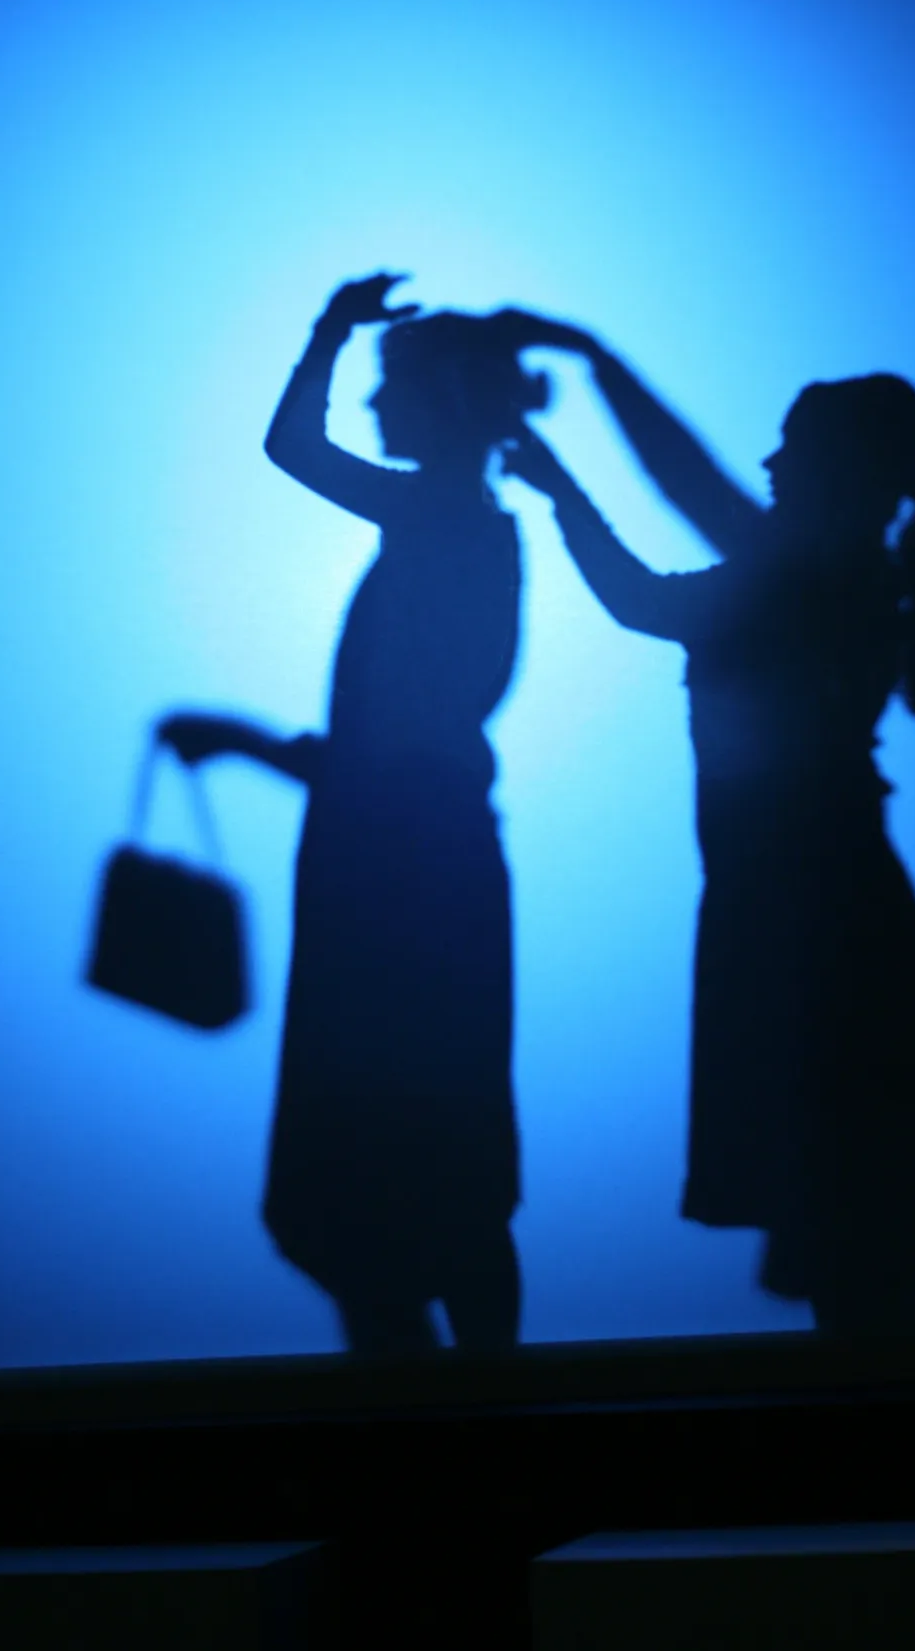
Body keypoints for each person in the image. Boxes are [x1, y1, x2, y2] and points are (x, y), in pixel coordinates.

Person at [498, 314, 915, 1337]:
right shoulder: (837, 577)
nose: (769, 461)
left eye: (790, 444)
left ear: (834, 468)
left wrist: (589, 385)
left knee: (845, 1210)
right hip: (813, 902)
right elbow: (665, 556)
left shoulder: (811, 580)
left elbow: (661, 550)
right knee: (855, 1219)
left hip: (806, 916)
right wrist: (568, 453)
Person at [159, 273, 548, 1356]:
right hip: (405, 867)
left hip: (396, 882)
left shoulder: (438, 516)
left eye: (393, 391)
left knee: (385, 1169)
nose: (376, 411)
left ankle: (453, 1432)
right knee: (427, 1163)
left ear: (444, 407)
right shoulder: (469, 527)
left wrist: (330, 329)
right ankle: (463, 1422)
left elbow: (293, 448)